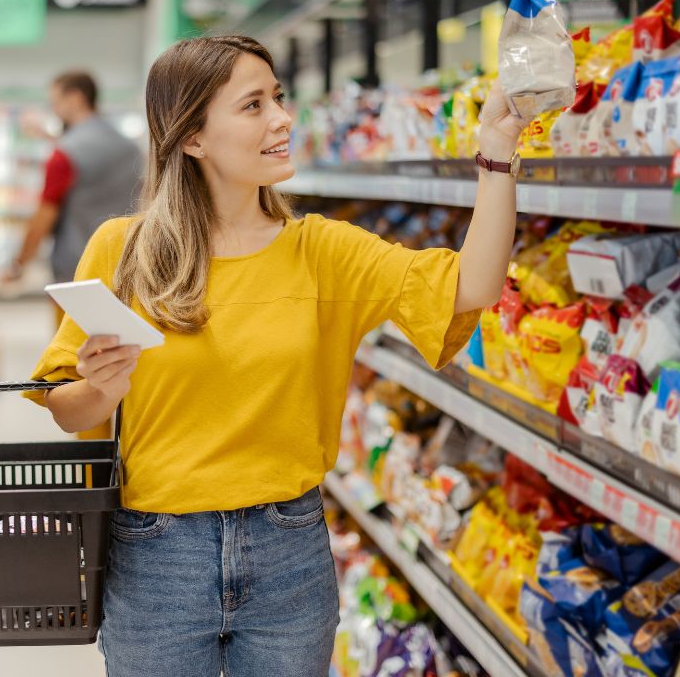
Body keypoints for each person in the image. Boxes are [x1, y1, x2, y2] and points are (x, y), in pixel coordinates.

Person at [26, 36, 527, 675]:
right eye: (254, 104)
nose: (282, 118)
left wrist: (498, 153)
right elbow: (67, 410)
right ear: (193, 138)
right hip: (156, 557)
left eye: (279, 99)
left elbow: (472, 286)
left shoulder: (323, 251)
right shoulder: (125, 250)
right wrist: (101, 388)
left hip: (288, 555)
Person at [4, 71, 141, 289]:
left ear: (75, 98)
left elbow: (44, 216)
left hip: (76, 272)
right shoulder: (131, 149)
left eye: (56, 102)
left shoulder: (64, 155)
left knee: (73, 325)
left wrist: (18, 264)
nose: (54, 109)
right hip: (126, 265)